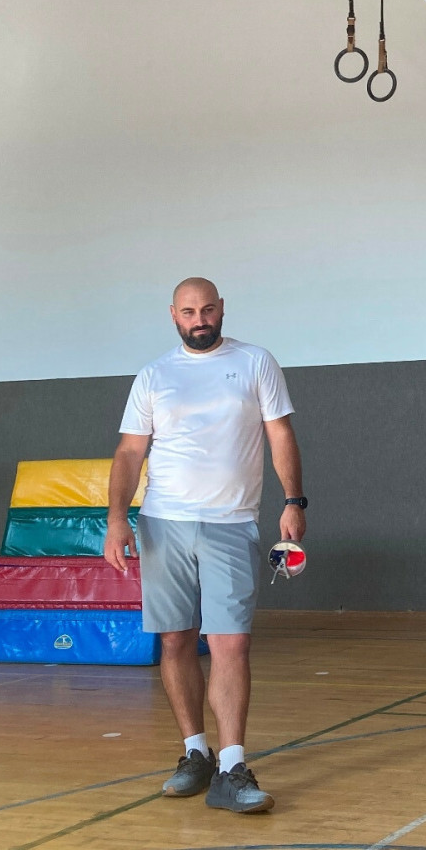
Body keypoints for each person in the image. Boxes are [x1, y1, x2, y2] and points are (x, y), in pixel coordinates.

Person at [104, 277, 307, 813]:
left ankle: (232, 767)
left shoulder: (256, 362)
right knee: (175, 640)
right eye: (190, 312)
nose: (200, 320)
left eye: (208, 310)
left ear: (221, 310)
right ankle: (195, 752)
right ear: (174, 315)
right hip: (162, 522)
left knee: (230, 643)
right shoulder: (154, 375)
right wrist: (117, 519)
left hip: (231, 522)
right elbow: (129, 452)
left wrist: (294, 500)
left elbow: (280, 434)